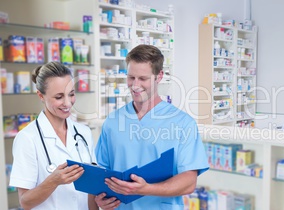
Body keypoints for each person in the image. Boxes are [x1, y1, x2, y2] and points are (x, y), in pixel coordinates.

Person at [93, 44, 209, 209]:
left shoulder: (183, 123)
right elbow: (101, 173)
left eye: (143, 79)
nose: (135, 85)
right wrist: (101, 198)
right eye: (131, 77)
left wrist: (146, 189)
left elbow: (189, 182)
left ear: (159, 76)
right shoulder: (113, 121)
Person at [9, 61, 97, 210]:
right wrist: (54, 181)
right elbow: (25, 202)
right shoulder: (27, 138)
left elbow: (90, 192)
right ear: (41, 96)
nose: (68, 103)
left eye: (71, 94)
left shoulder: (84, 133)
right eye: (59, 97)